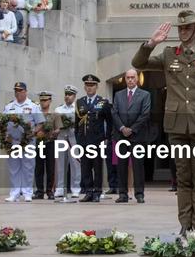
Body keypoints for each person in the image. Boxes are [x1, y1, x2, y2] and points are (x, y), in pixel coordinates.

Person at [132, 10, 195, 235]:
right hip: (176, 125)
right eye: (181, 28)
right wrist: (151, 43)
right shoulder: (168, 54)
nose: (183, 31)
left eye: (187, 27)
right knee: (182, 177)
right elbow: (138, 63)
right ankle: (185, 224)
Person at [112, 69, 151, 203]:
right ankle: (122, 194)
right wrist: (122, 128)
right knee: (121, 165)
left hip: (137, 136)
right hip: (121, 135)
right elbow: (114, 113)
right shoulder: (118, 95)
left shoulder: (145, 95)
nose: (130, 80)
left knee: (138, 165)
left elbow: (145, 114)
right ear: (125, 79)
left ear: (137, 79)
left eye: (132, 77)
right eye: (128, 77)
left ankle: (139, 194)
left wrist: (132, 129)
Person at [3, 82, 45, 202]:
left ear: (25, 91)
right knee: (14, 168)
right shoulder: (9, 106)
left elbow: (40, 122)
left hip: (28, 141)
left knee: (28, 167)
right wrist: (5, 135)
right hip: (13, 142)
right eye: (16, 90)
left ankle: (27, 192)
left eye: (20, 90)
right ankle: (14, 193)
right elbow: (3, 123)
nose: (18, 92)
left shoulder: (33, 106)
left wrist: (33, 132)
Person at [75, 74, 112, 203]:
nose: (89, 88)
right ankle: (88, 192)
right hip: (84, 140)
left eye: (92, 85)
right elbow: (76, 124)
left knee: (97, 167)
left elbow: (109, 121)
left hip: (97, 140)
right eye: (87, 85)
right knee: (85, 167)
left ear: (96, 86)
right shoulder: (80, 102)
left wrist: (107, 138)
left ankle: (97, 192)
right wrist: (77, 141)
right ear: (85, 87)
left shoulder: (103, 102)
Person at [54, 85, 82, 198]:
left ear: (74, 96)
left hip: (73, 138)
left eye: (70, 94)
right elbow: (56, 124)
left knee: (75, 164)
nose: (67, 97)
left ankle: (75, 188)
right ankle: (60, 188)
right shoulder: (58, 109)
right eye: (66, 94)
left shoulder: (78, 109)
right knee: (60, 164)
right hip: (61, 137)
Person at [33, 91, 61, 200]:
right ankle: (39, 191)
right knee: (38, 168)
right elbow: (32, 127)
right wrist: (36, 132)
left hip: (50, 143)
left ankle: (50, 191)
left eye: (45, 100)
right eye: (41, 100)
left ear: (50, 101)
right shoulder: (36, 114)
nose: (43, 102)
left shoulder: (55, 115)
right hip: (39, 143)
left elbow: (58, 128)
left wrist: (53, 132)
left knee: (50, 167)